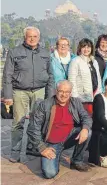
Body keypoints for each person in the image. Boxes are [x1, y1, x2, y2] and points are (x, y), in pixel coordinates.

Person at [2, 26, 54, 163]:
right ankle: (15, 151)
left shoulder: (45, 53)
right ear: (25, 37)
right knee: (18, 122)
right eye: (29, 36)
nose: (32, 39)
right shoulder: (15, 52)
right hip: (20, 91)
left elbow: (51, 75)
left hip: (39, 90)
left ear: (39, 38)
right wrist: (7, 96)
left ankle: (33, 147)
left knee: (37, 122)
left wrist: (50, 96)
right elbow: (7, 75)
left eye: (35, 36)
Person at [26, 80, 92, 179]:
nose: (63, 94)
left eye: (67, 92)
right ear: (56, 91)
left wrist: (85, 129)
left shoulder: (76, 102)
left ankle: (76, 160)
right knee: (49, 173)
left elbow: (86, 117)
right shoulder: (45, 104)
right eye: (61, 91)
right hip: (51, 144)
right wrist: (42, 148)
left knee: (88, 132)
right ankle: (53, 156)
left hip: (69, 137)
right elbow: (33, 128)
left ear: (70, 93)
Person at [68, 38, 102, 115]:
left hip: (94, 95)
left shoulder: (94, 61)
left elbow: (98, 79)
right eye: (84, 47)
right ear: (80, 48)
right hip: (82, 98)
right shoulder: (75, 61)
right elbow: (71, 80)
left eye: (88, 47)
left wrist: (99, 93)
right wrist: (75, 97)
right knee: (84, 119)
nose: (86, 49)